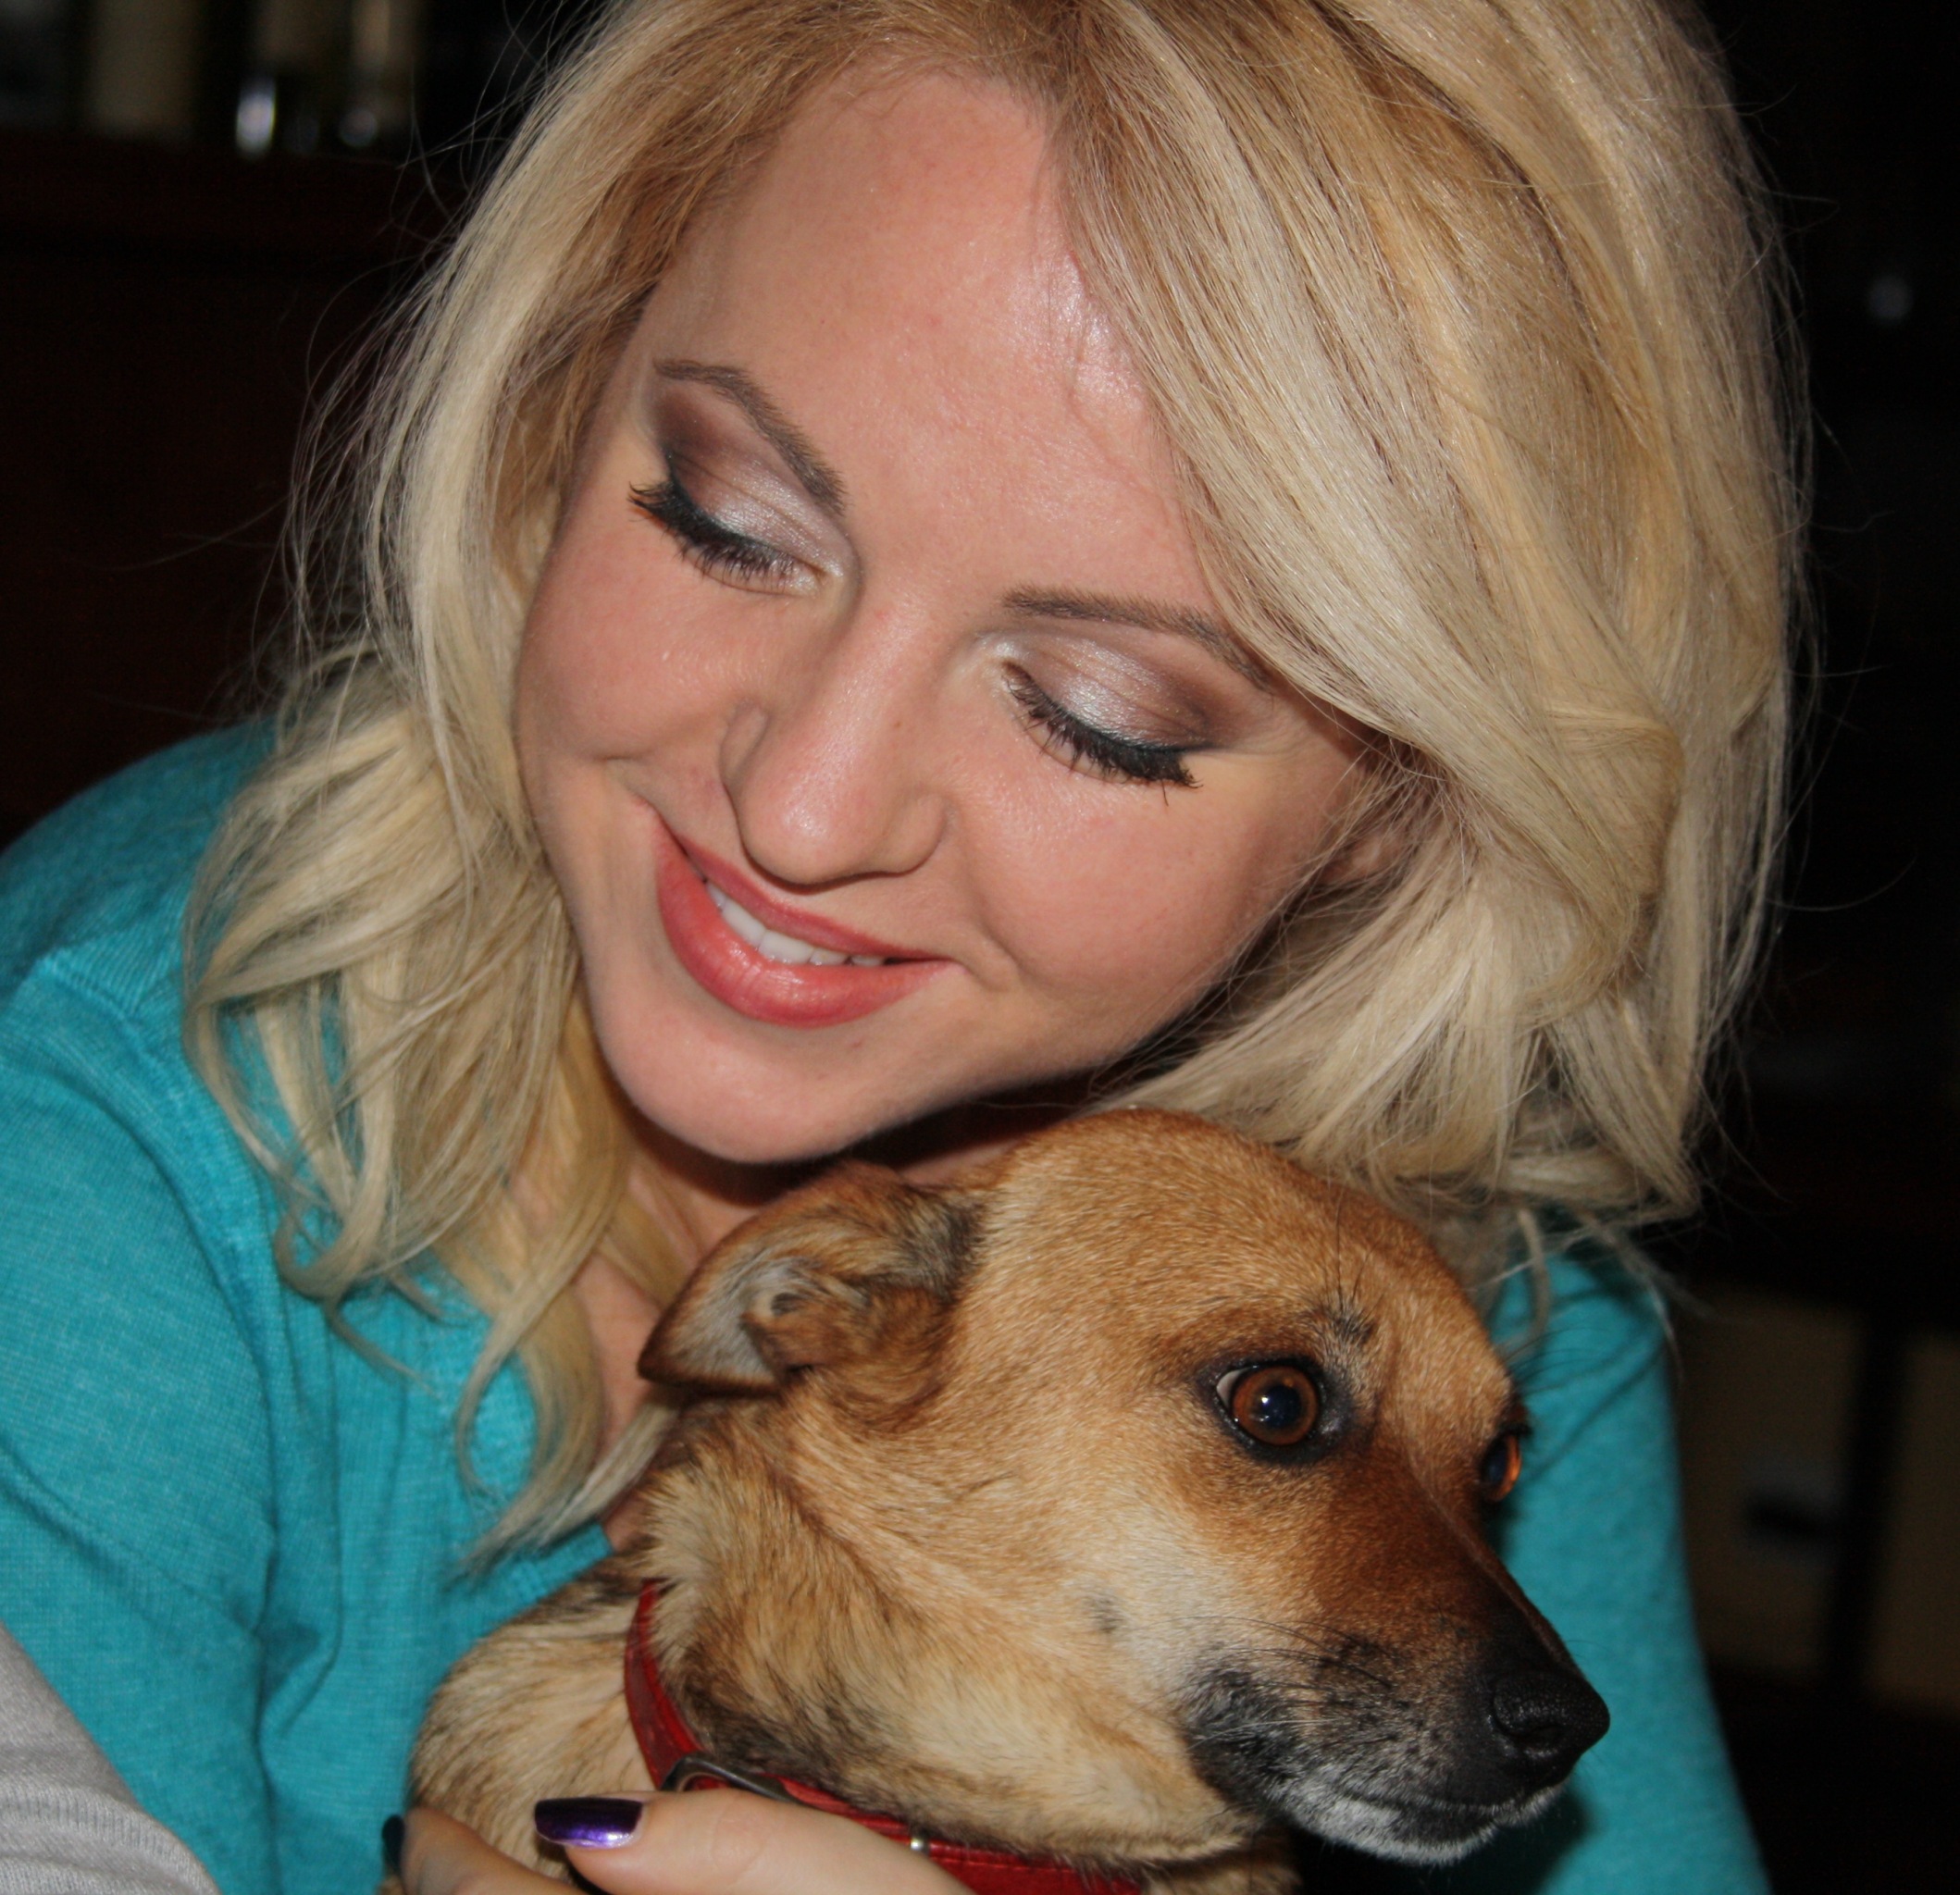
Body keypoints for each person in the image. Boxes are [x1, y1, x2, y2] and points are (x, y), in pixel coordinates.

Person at [0, 2, 1794, 1891]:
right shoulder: (111, 1125)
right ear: (564, 387)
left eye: (1097, 710)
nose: (804, 807)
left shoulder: (1444, 1267)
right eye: (730, 523)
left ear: (1403, 806)